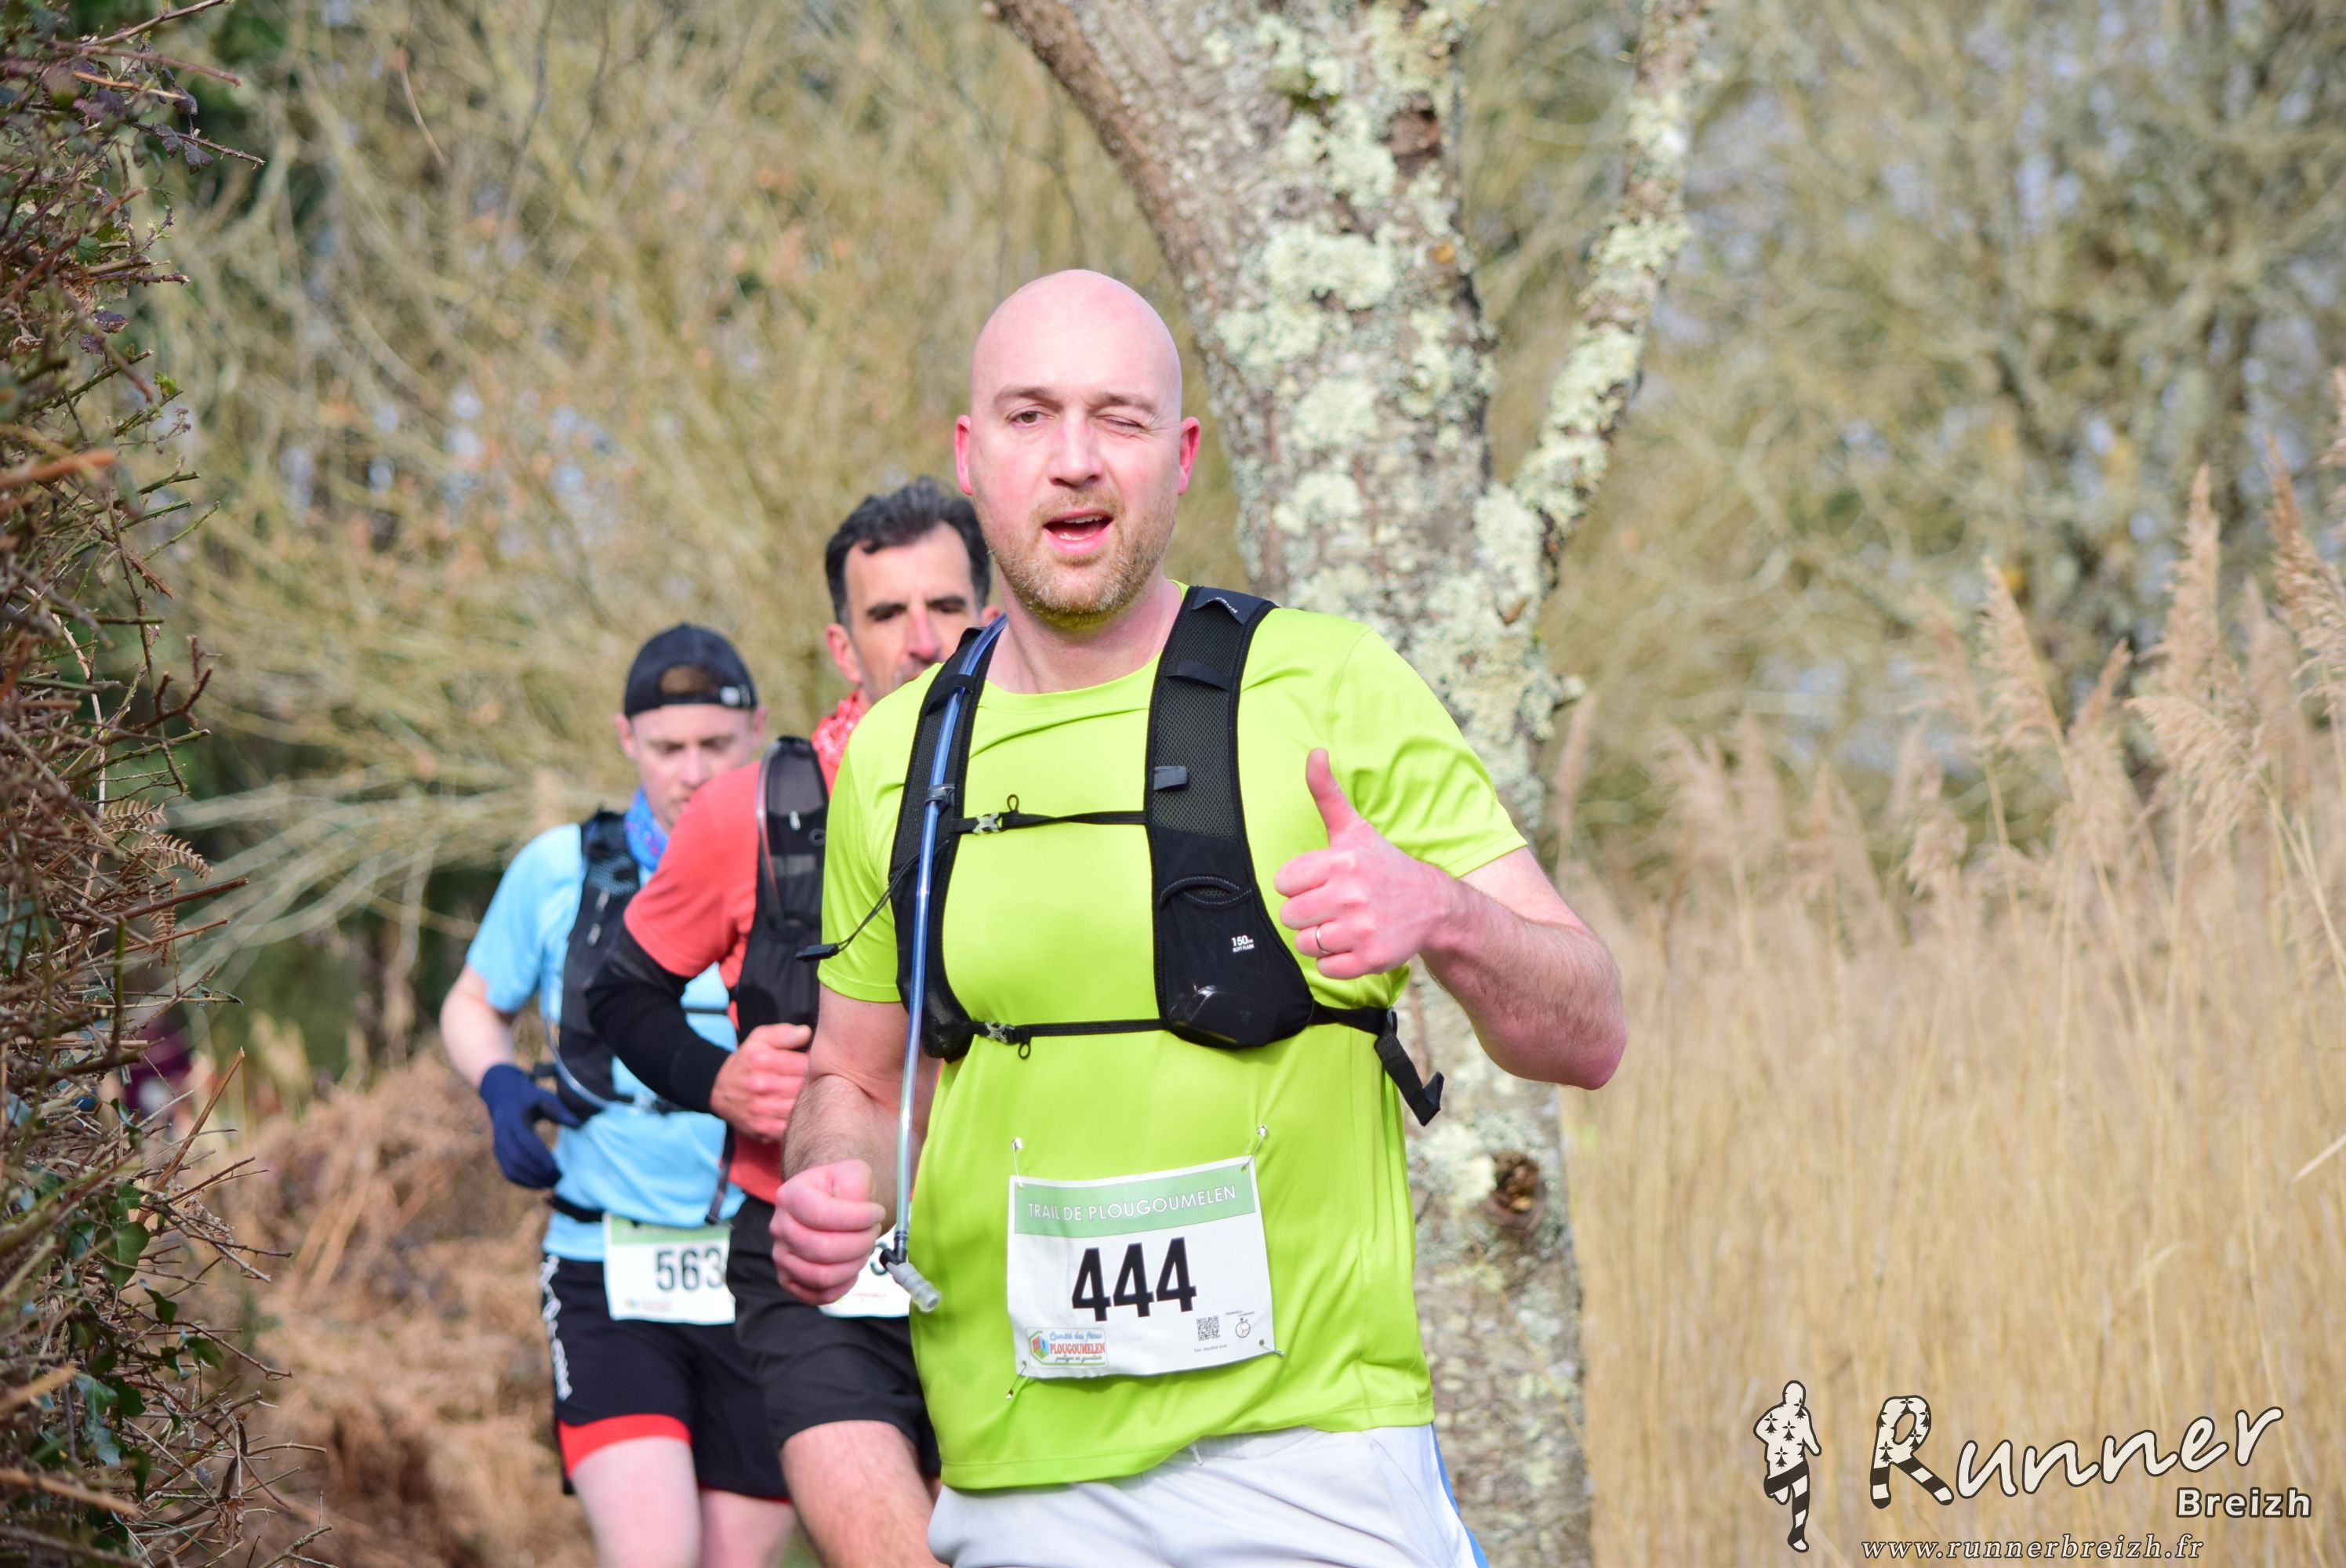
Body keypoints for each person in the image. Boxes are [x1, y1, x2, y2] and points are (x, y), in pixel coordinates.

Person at [768, 270, 1629, 1568]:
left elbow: (1590, 1028)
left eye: (1116, 418)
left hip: (1311, 1471)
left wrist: (1445, 913)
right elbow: (854, 1077)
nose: (1073, 460)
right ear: (970, 453)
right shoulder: (899, 755)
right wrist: (829, 1184)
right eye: (1029, 417)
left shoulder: (1329, 688)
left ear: (1178, 458)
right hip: (1018, 1485)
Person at [588, 480, 994, 1568]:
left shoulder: (1056, 797)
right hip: (810, 1259)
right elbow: (619, 990)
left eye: (946, 607)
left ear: (990, 616)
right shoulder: (749, 810)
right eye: (887, 614)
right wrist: (714, 1080)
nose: (921, 640)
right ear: (842, 643)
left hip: (1012, 1246)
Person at [440, 626, 794, 1568]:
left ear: (757, 732)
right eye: (668, 747)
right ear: (626, 738)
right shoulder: (559, 869)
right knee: (654, 1552)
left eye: (715, 745)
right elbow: (472, 1003)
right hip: (606, 1264)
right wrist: (500, 1083)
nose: (692, 772)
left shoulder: (805, 870)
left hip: (761, 1268)